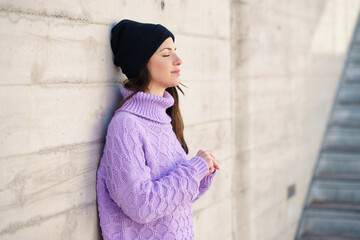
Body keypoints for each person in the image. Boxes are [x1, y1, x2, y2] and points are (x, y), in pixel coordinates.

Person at [96, 19, 220, 240]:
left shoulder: (162, 119)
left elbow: (173, 201)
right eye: (166, 54)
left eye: (175, 52)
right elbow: (141, 205)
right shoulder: (126, 125)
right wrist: (194, 170)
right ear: (142, 64)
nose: (178, 60)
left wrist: (201, 173)